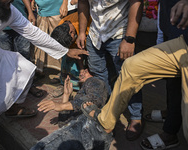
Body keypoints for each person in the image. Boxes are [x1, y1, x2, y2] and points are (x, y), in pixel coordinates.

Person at [80, 1, 188, 150]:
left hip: (124, 33)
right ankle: (105, 123)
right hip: (179, 39)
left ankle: (151, 121)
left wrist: (129, 38)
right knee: (131, 67)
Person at [0, 0, 87, 148]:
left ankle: (9, 109)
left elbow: (32, 32)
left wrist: (65, 50)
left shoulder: (7, 10)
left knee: (21, 66)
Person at [77, 0, 144, 140]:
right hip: (95, 34)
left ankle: (136, 117)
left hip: (120, 33)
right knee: (99, 76)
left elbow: (136, 3)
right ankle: (107, 115)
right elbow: (83, 3)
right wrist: (82, 32)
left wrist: (130, 39)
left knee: (129, 77)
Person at [0, 0, 44, 98]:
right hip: (0, 26)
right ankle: (10, 91)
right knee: (6, 62)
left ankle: (28, 86)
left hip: (21, 22)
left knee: (25, 57)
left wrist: (30, 12)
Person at [32, 0, 69, 75]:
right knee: (40, 42)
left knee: (59, 42)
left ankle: (62, 73)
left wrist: (65, 3)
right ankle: (40, 69)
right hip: (42, 11)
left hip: (57, 11)